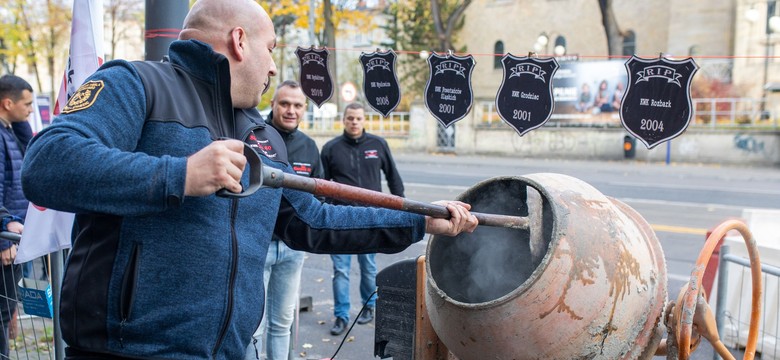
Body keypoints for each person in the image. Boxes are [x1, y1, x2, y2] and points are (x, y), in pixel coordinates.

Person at [20, 1, 478, 359]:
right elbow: (48, 165)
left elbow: (314, 221)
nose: (275, 68)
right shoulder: (135, 83)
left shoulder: (263, 136)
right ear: (239, 40)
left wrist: (421, 221)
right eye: (272, 49)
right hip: (123, 352)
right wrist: (179, 175)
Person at [245, 80, 321, 360]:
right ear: (273, 104)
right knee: (254, 325)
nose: (291, 110)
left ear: (304, 109)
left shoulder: (310, 147)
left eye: (297, 105)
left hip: (292, 251)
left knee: (282, 322)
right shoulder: (254, 137)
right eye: (285, 103)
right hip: (257, 246)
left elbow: (317, 198)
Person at [320, 102, 405, 336]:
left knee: (368, 267)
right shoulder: (330, 148)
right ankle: (341, 315)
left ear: (364, 120)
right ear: (344, 120)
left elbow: (393, 178)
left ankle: (369, 307)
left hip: (370, 219)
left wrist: (402, 207)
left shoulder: (378, 145)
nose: (354, 122)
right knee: (341, 270)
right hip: (340, 221)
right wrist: (325, 213)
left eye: (358, 118)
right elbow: (321, 186)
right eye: (350, 118)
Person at [0, 74, 33, 357]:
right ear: (7, 103)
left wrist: (20, 121)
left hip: (14, 233)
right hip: (6, 239)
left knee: (7, 308)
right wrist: (3, 240)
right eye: (27, 104)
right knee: (2, 312)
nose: (32, 110)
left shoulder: (10, 129)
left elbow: (31, 149)